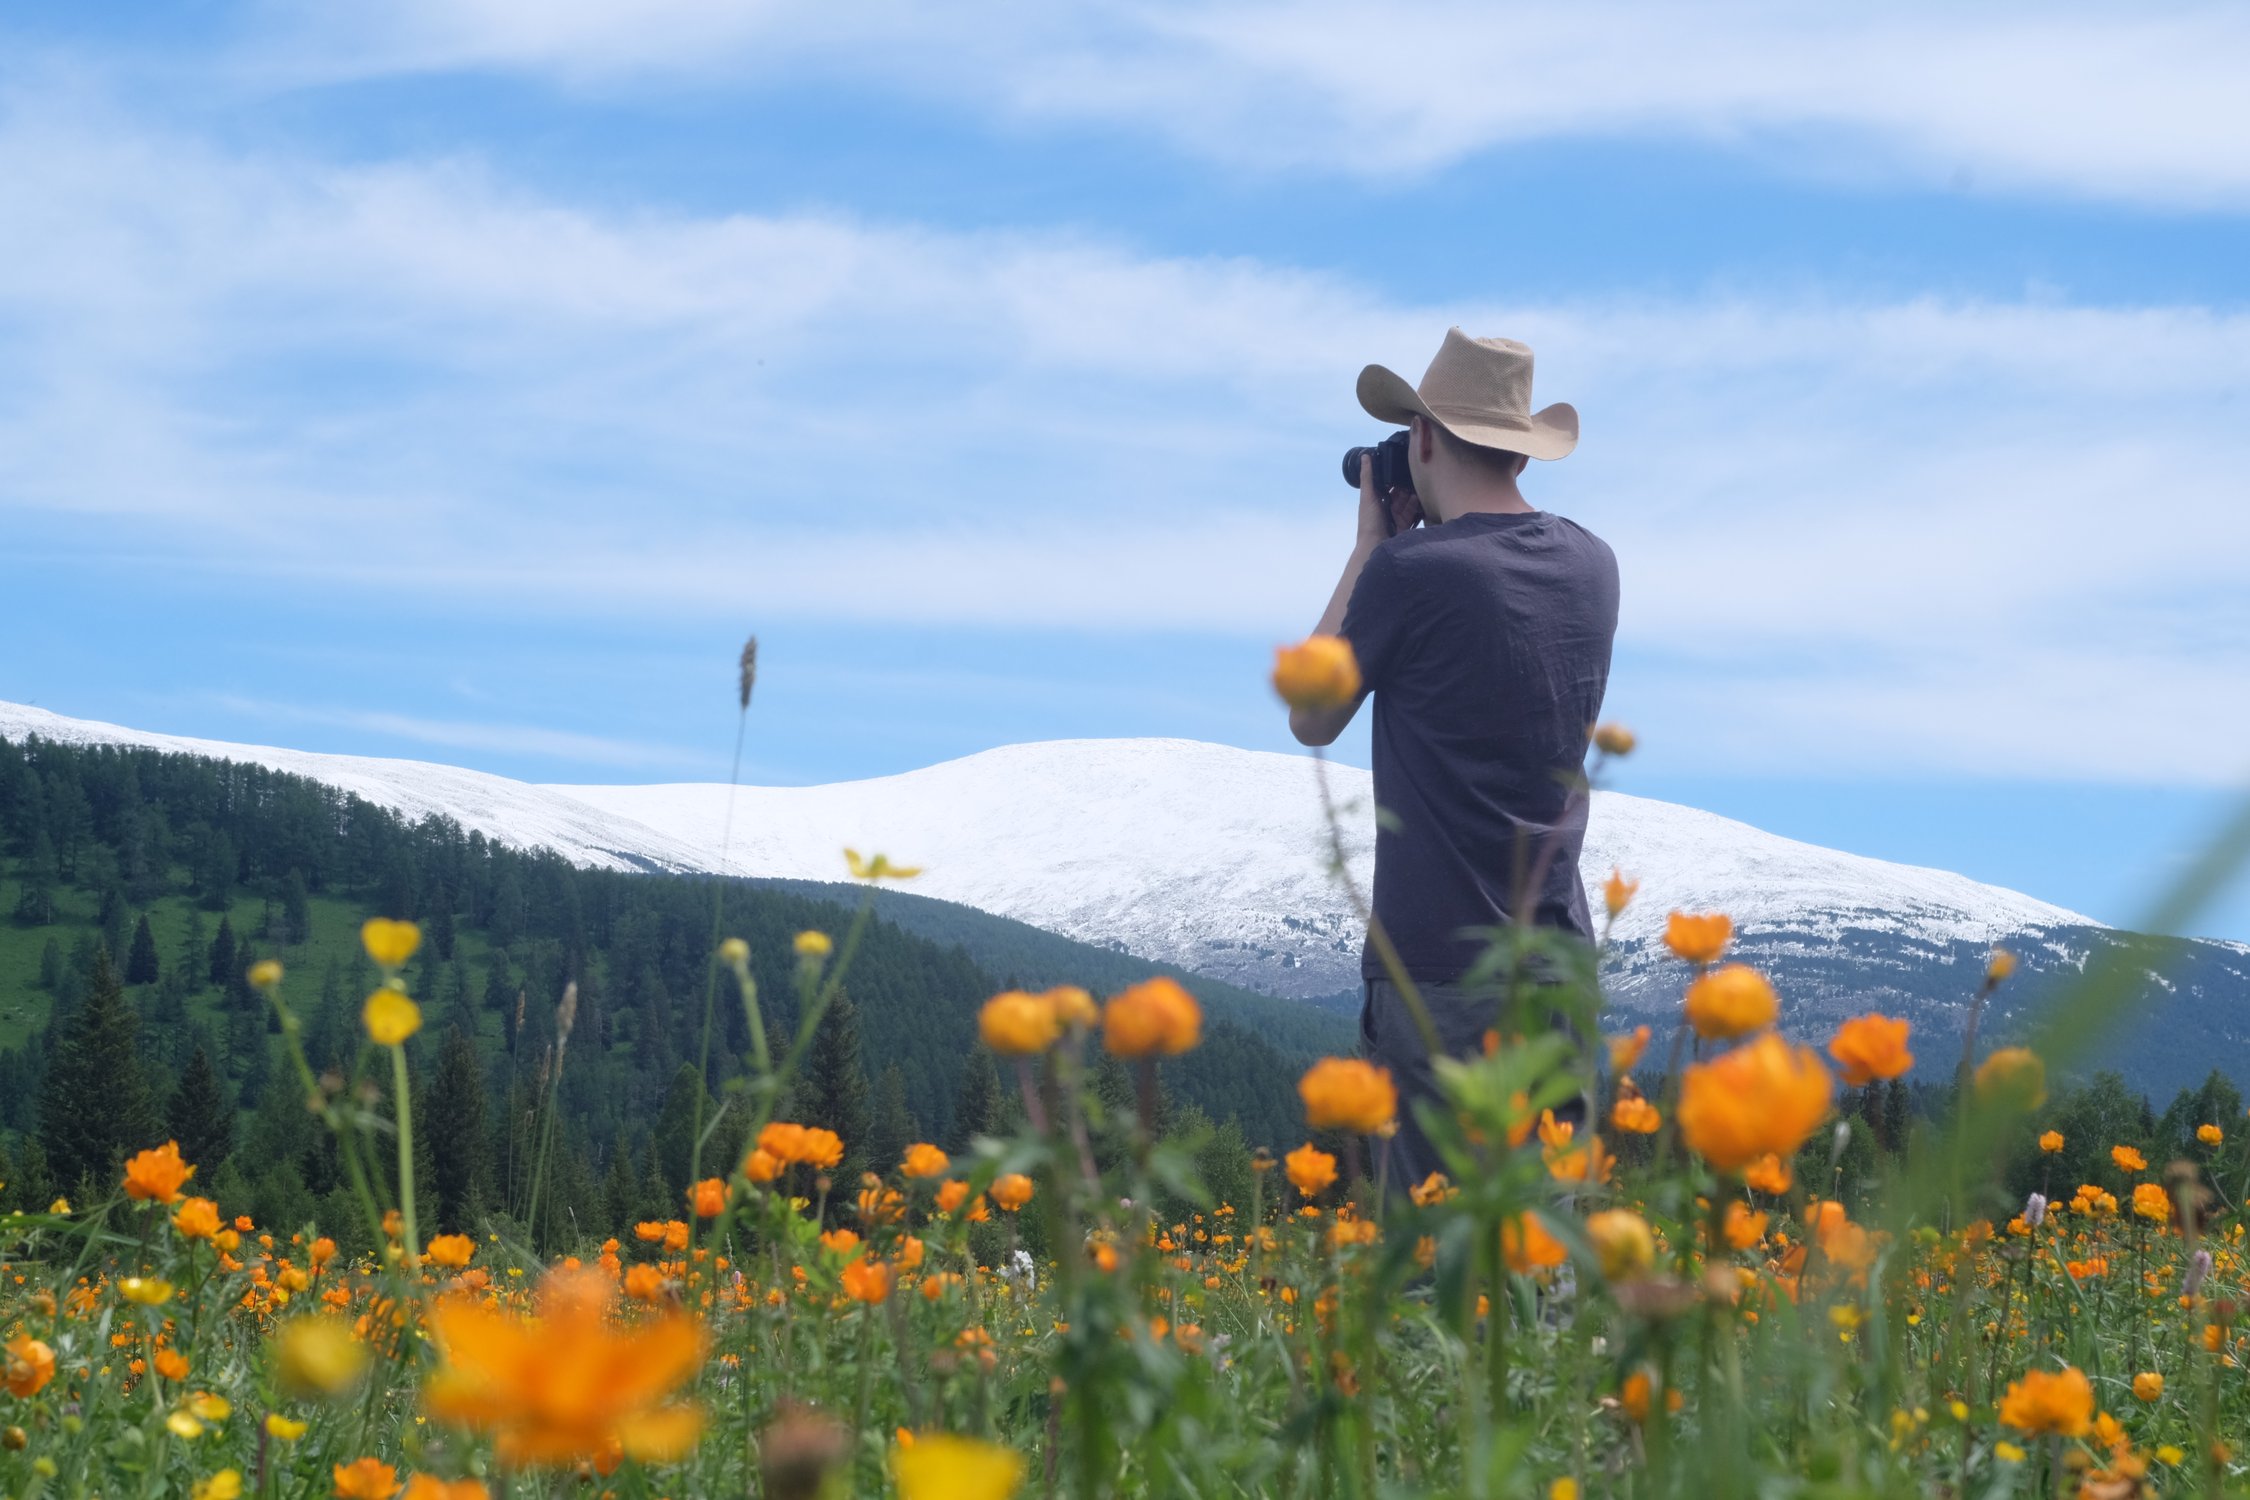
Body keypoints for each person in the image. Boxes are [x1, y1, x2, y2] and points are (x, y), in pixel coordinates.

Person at [1289, 328, 1619, 1188]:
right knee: (1543, 1260)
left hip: (1438, 966)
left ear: (1424, 438)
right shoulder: (1594, 566)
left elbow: (1312, 713)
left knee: (1431, 1270)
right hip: (1556, 957)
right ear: (1521, 450)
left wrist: (1371, 546)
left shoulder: (1411, 571)